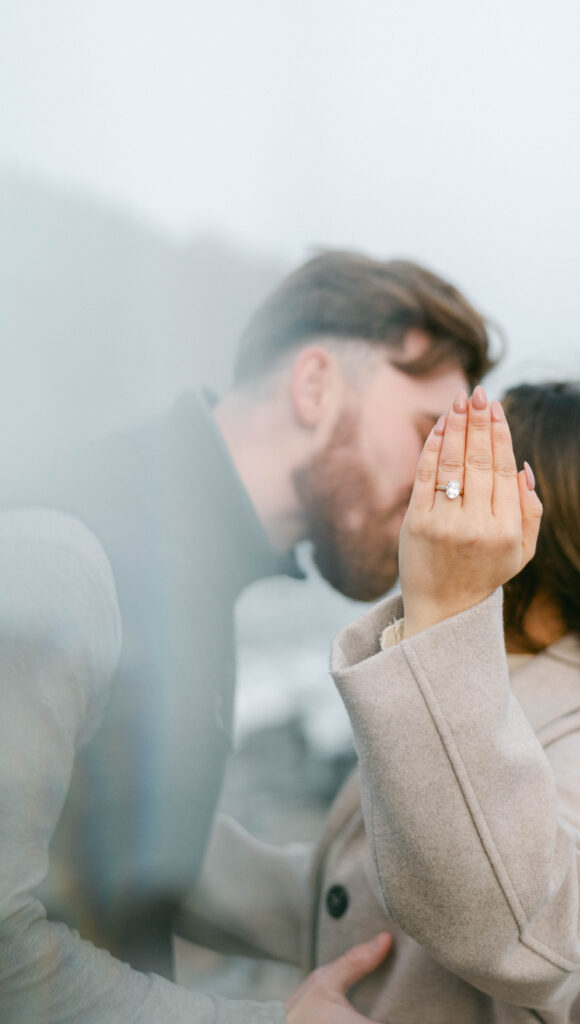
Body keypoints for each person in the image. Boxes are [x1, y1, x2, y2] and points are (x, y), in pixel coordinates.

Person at [0, 251, 495, 1023]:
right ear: (315, 385)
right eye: (429, 432)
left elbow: (118, 839)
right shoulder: (64, 560)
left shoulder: (187, 561)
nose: (445, 480)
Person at [186, 381, 580, 1023]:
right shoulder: (462, 678)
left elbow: (532, 931)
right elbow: (348, 895)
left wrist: (445, 609)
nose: (428, 490)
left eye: (468, 466)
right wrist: (150, 845)